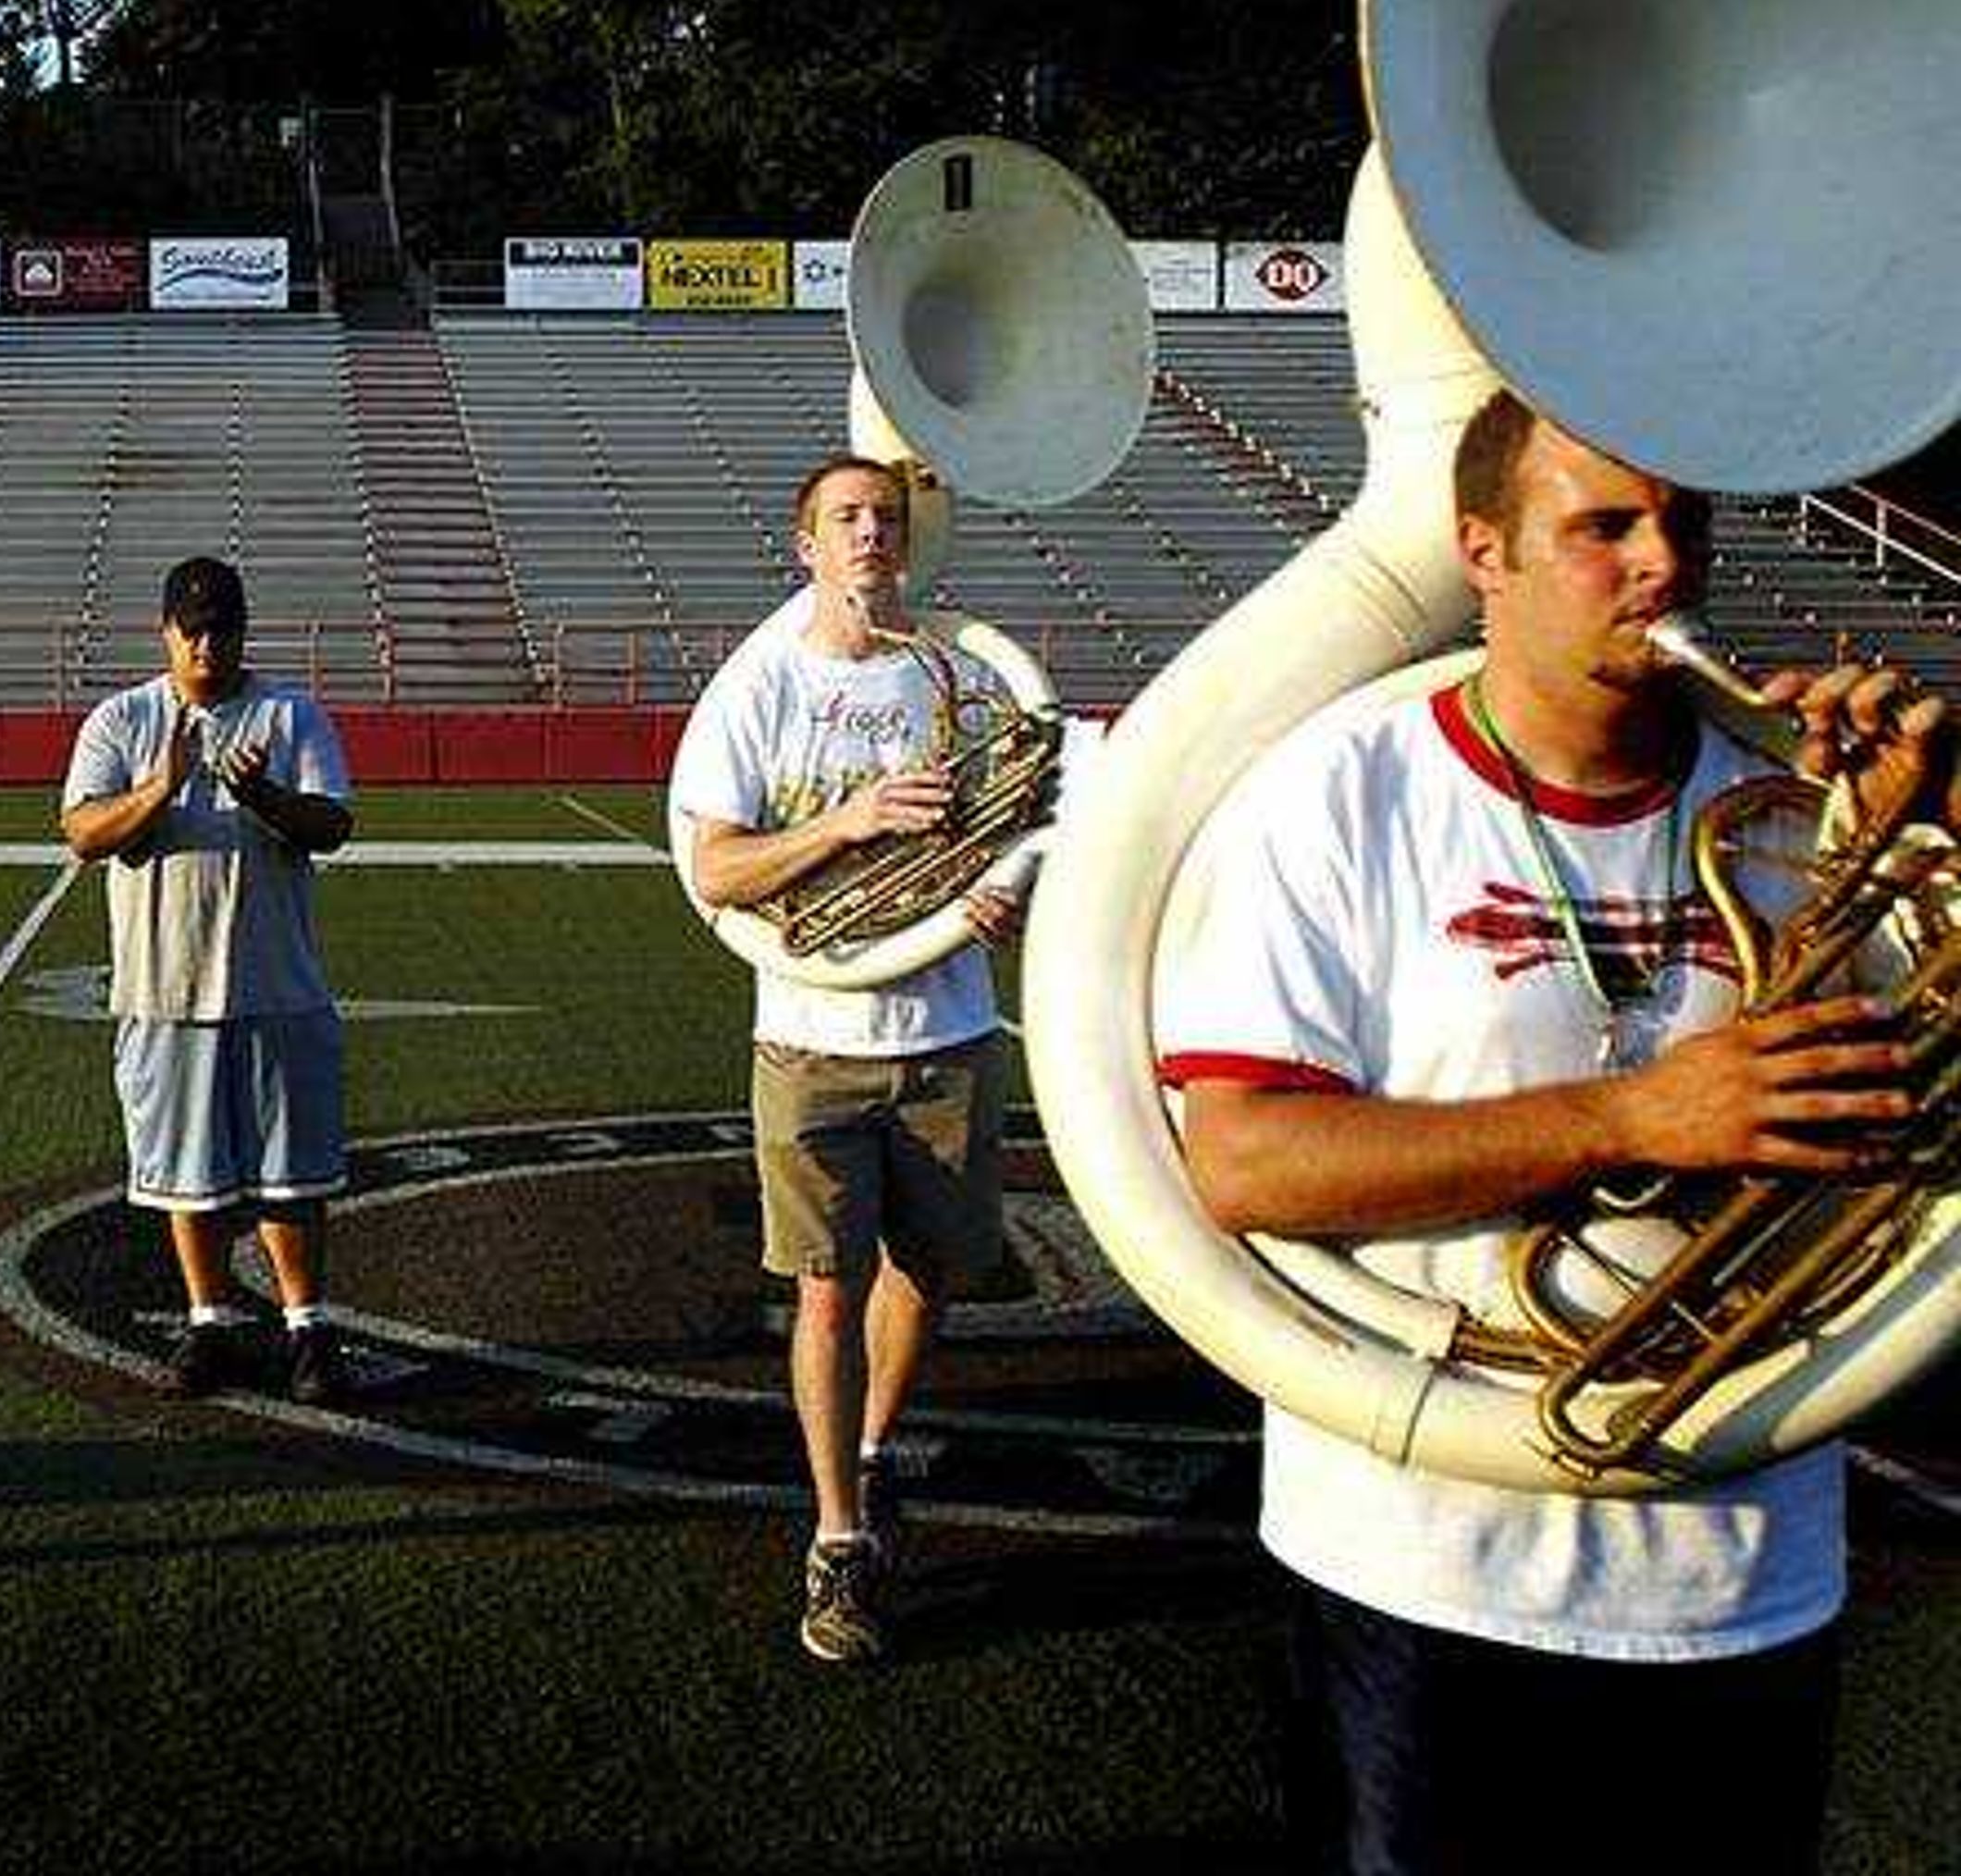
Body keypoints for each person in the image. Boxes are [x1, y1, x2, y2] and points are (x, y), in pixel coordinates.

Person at [1159, 389, 1929, 1872]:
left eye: (1684, 524)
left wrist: (1928, 838)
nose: (1664, 565)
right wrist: (1641, 1114)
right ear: (1482, 551)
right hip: (1422, 1565)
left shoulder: (1805, 816)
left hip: (1747, 1562)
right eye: (1604, 527)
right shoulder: (1341, 795)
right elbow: (1247, 1158)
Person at [668, 453, 1027, 1664]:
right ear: (805, 544)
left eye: (886, 516)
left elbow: (1027, 825)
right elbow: (715, 868)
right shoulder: (761, 685)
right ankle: (835, 1533)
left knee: (929, 1270)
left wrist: (999, 891)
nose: (870, 533)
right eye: (846, 518)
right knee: (826, 1286)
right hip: (813, 1037)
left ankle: (874, 1455)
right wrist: (851, 821)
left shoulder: (963, 674)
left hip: (949, 1030)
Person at [59, 556, 357, 1403]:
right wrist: (163, 786)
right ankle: (210, 1319)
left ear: (242, 630)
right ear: (165, 631)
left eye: (221, 626)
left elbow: (333, 822)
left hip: (279, 986)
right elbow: (83, 830)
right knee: (185, 1172)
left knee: (291, 1176)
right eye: (191, 627)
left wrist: (261, 793)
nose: (206, 642)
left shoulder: (289, 713)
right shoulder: (123, 719)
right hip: (165, 990)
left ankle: (308, 1326)